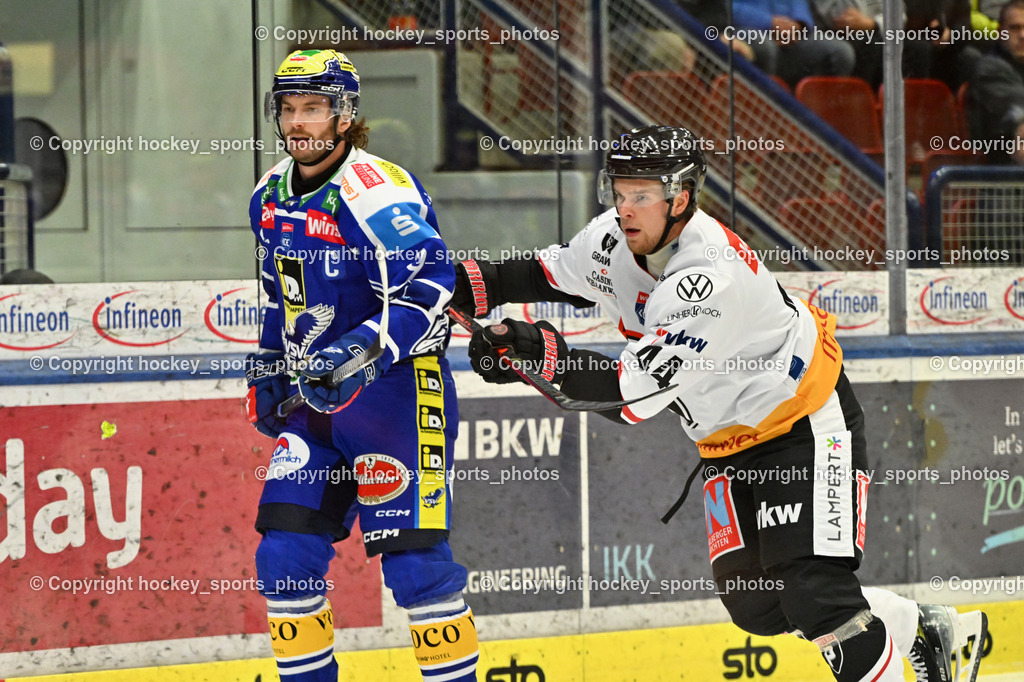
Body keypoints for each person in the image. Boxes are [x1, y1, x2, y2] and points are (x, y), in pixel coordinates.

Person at [452, 125, 987, 682]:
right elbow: (547, 273)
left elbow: (632, 396)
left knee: (813, 592)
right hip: (724, 442)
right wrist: (460, 283)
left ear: (680, 198)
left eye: (642, 195)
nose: (625, 208)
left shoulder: (709, 277)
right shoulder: (615, 236)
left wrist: (538, 353)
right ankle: (923, 627)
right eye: (619, 191)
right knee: (758, 606)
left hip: (802, 422)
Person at [245, 49, 478, 682]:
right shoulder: (268, 193)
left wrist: (365, 347)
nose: (298, 123)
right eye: (289, 109)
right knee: (284, 555)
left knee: (416, 567)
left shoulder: (374, 190)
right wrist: (270, 360)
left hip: (399, 398)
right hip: (316, 403)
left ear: (344, 116)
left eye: (313, 109)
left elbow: (436, 281)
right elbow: (279, 290)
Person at [968, 0, 1024, 161]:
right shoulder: (989, 69)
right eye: (1015, 28)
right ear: (1000, 32)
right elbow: (1018, 105)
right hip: (999, 173)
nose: (1022, 35)